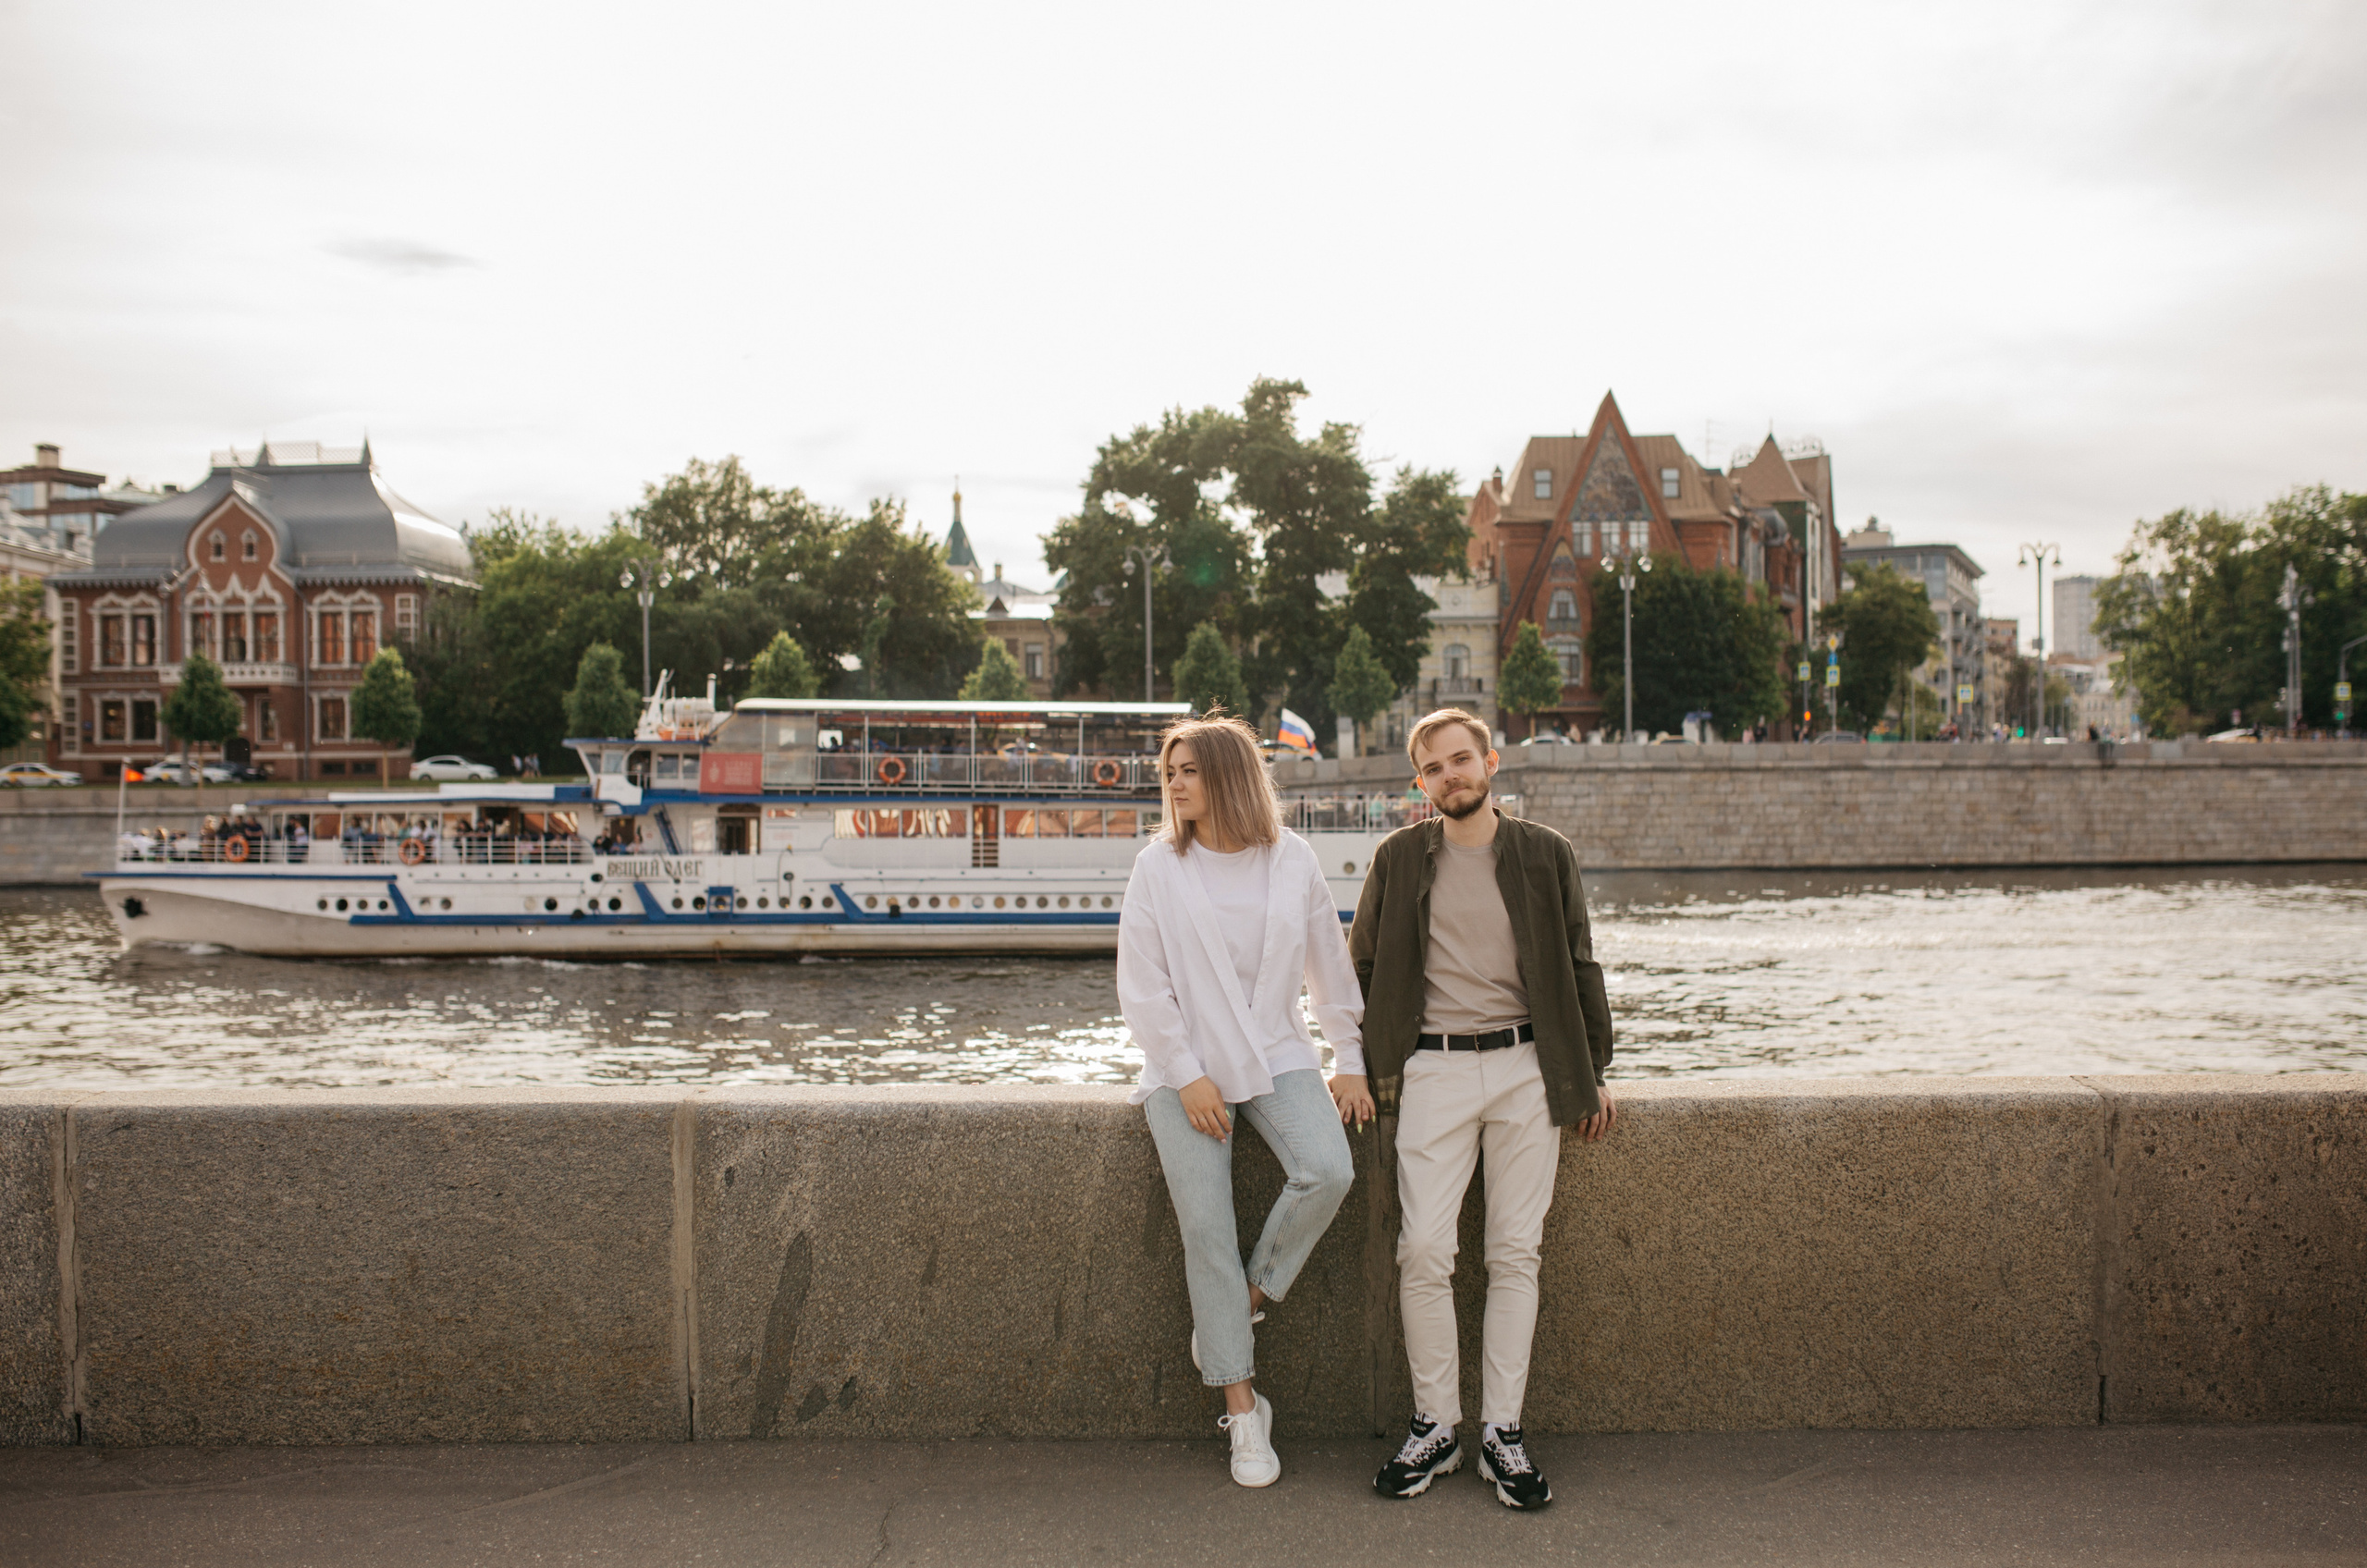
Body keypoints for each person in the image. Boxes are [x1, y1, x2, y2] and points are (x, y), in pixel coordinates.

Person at [1352, 707, 1617, 1512]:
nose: (1450, 777)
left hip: (1527, 1068)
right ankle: (1435, 1423)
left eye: (1461, 760)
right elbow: (1359, 965)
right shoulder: (1398, 858)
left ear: (1492, 763)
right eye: (1433, 768)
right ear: (1419, 782)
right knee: (1424, 1249)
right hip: (1430, 1070)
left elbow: (1579, 963)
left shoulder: (1545, 854)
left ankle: (1503, 1434)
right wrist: (1351, 1060)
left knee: (1514, 1253)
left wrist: (1592, 1071)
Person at [1116, 713, 1374, 1490]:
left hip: (1275, 1050)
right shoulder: (1158, 866)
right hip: (1184, 1064)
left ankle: (1245, 1297)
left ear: (1227, 774)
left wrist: (1350, 1059)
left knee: (1329, 1169)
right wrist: (1187, 1073)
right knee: (1206, 1226)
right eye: (1170, 771)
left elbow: (1329, 966)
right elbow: (1142, 985)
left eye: (1189, 769)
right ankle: (1242, 1407)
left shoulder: (1291, 859)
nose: (1174, 782)